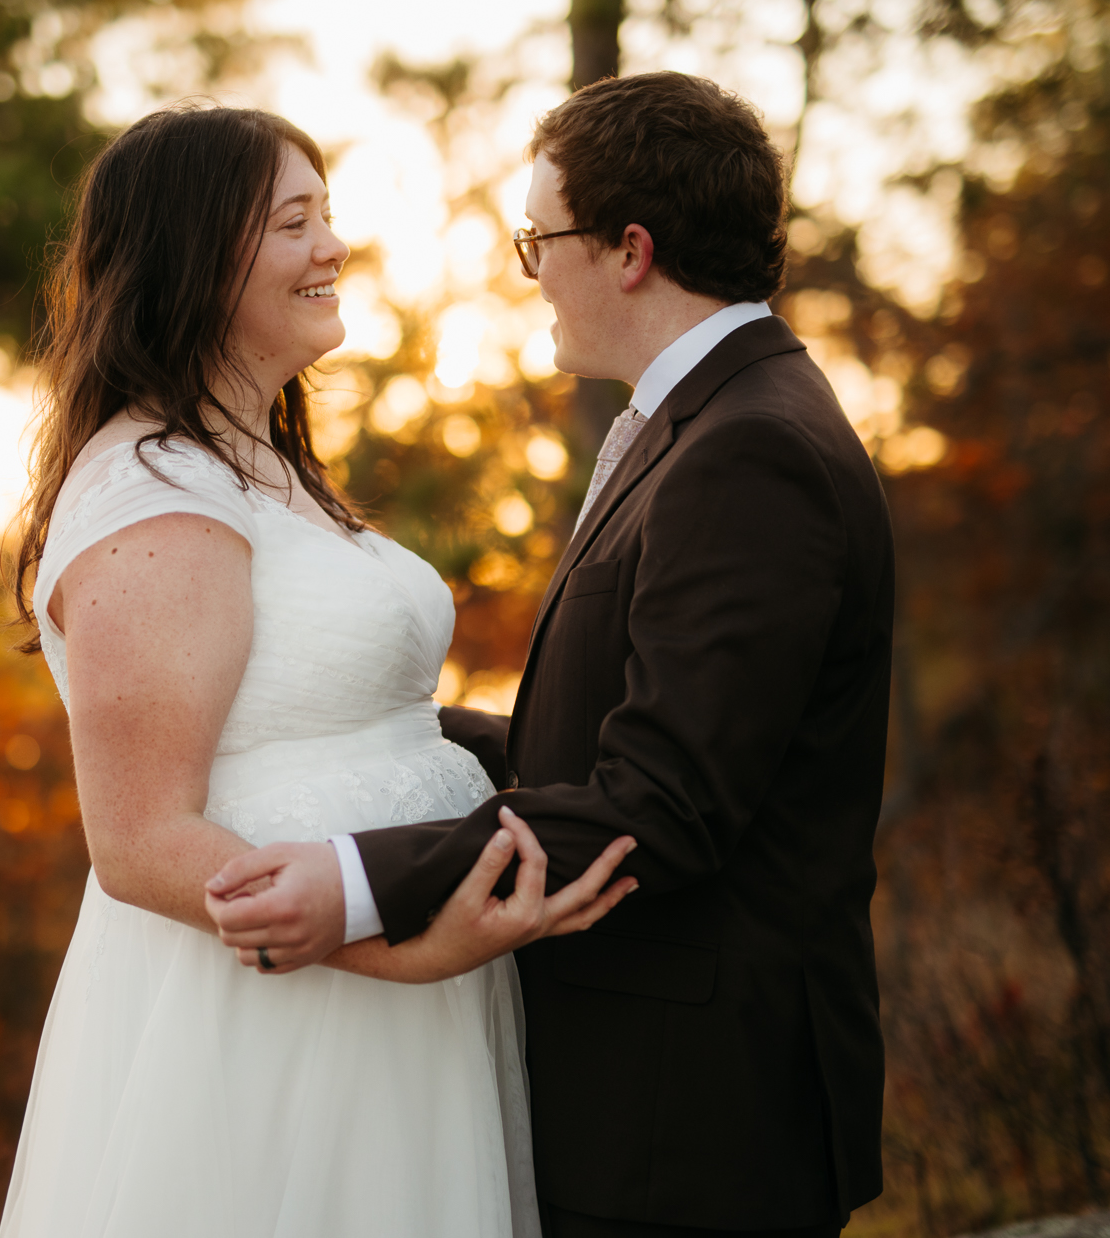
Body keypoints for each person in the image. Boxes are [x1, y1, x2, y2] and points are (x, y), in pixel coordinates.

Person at [208, 72, 895, 1238]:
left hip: (688, 1113)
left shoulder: (747, 451)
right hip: (661, 1090)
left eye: (540, 239)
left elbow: (661, 803)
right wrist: (381, 727)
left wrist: (359, 882)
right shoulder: (703, 421)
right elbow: (619, 734)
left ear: (628, 250)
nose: (529, 273)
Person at [0, 101, 636, 1238]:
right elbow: (141, 841)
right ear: (195, 256)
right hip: (288, 1018)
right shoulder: (151, 488)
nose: (332, 248)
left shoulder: (257, 462)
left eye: (325, 216)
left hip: (394, 994)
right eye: (295, 222)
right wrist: (400, 952)